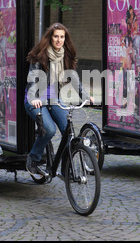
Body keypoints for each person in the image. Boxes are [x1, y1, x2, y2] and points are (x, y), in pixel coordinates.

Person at [24, 23, 94, 175]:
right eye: (56, 36)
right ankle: (33, 158)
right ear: (50, 37)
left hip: (55, 99)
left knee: (68, 131)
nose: (59, 40)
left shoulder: (65, 56)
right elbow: (32, 80)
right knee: (49, 130)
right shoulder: (39, 56)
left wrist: (85, 96)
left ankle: (64, 166)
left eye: (62, 37)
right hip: (36, 99)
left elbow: (74, 78)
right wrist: (35, 98)